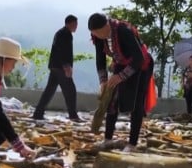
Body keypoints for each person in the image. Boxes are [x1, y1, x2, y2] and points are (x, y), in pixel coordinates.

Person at [88, 13, 156, 153]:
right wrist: (103, 82)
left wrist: (120, 77)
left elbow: (138, 57)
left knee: (136, 103)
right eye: (96, 34)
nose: (100, 36)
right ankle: (108, 139)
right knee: (111, 100)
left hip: (141, 65)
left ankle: (132, 143)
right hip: (120, 63)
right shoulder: (98, 36)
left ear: (107, 25)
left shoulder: (123, 30)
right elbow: (100, 59)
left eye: (100, 32)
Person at [32, 15, 82, 121]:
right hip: (60, 67)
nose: (76, 26)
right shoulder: (65, 34)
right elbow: (62, 51)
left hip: (55, 66)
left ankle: (38, 113)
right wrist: (66, 66)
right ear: (69, 23)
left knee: (49, 90)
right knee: (70, 90)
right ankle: (73, 115)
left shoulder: (61, 33)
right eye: (75, 24)